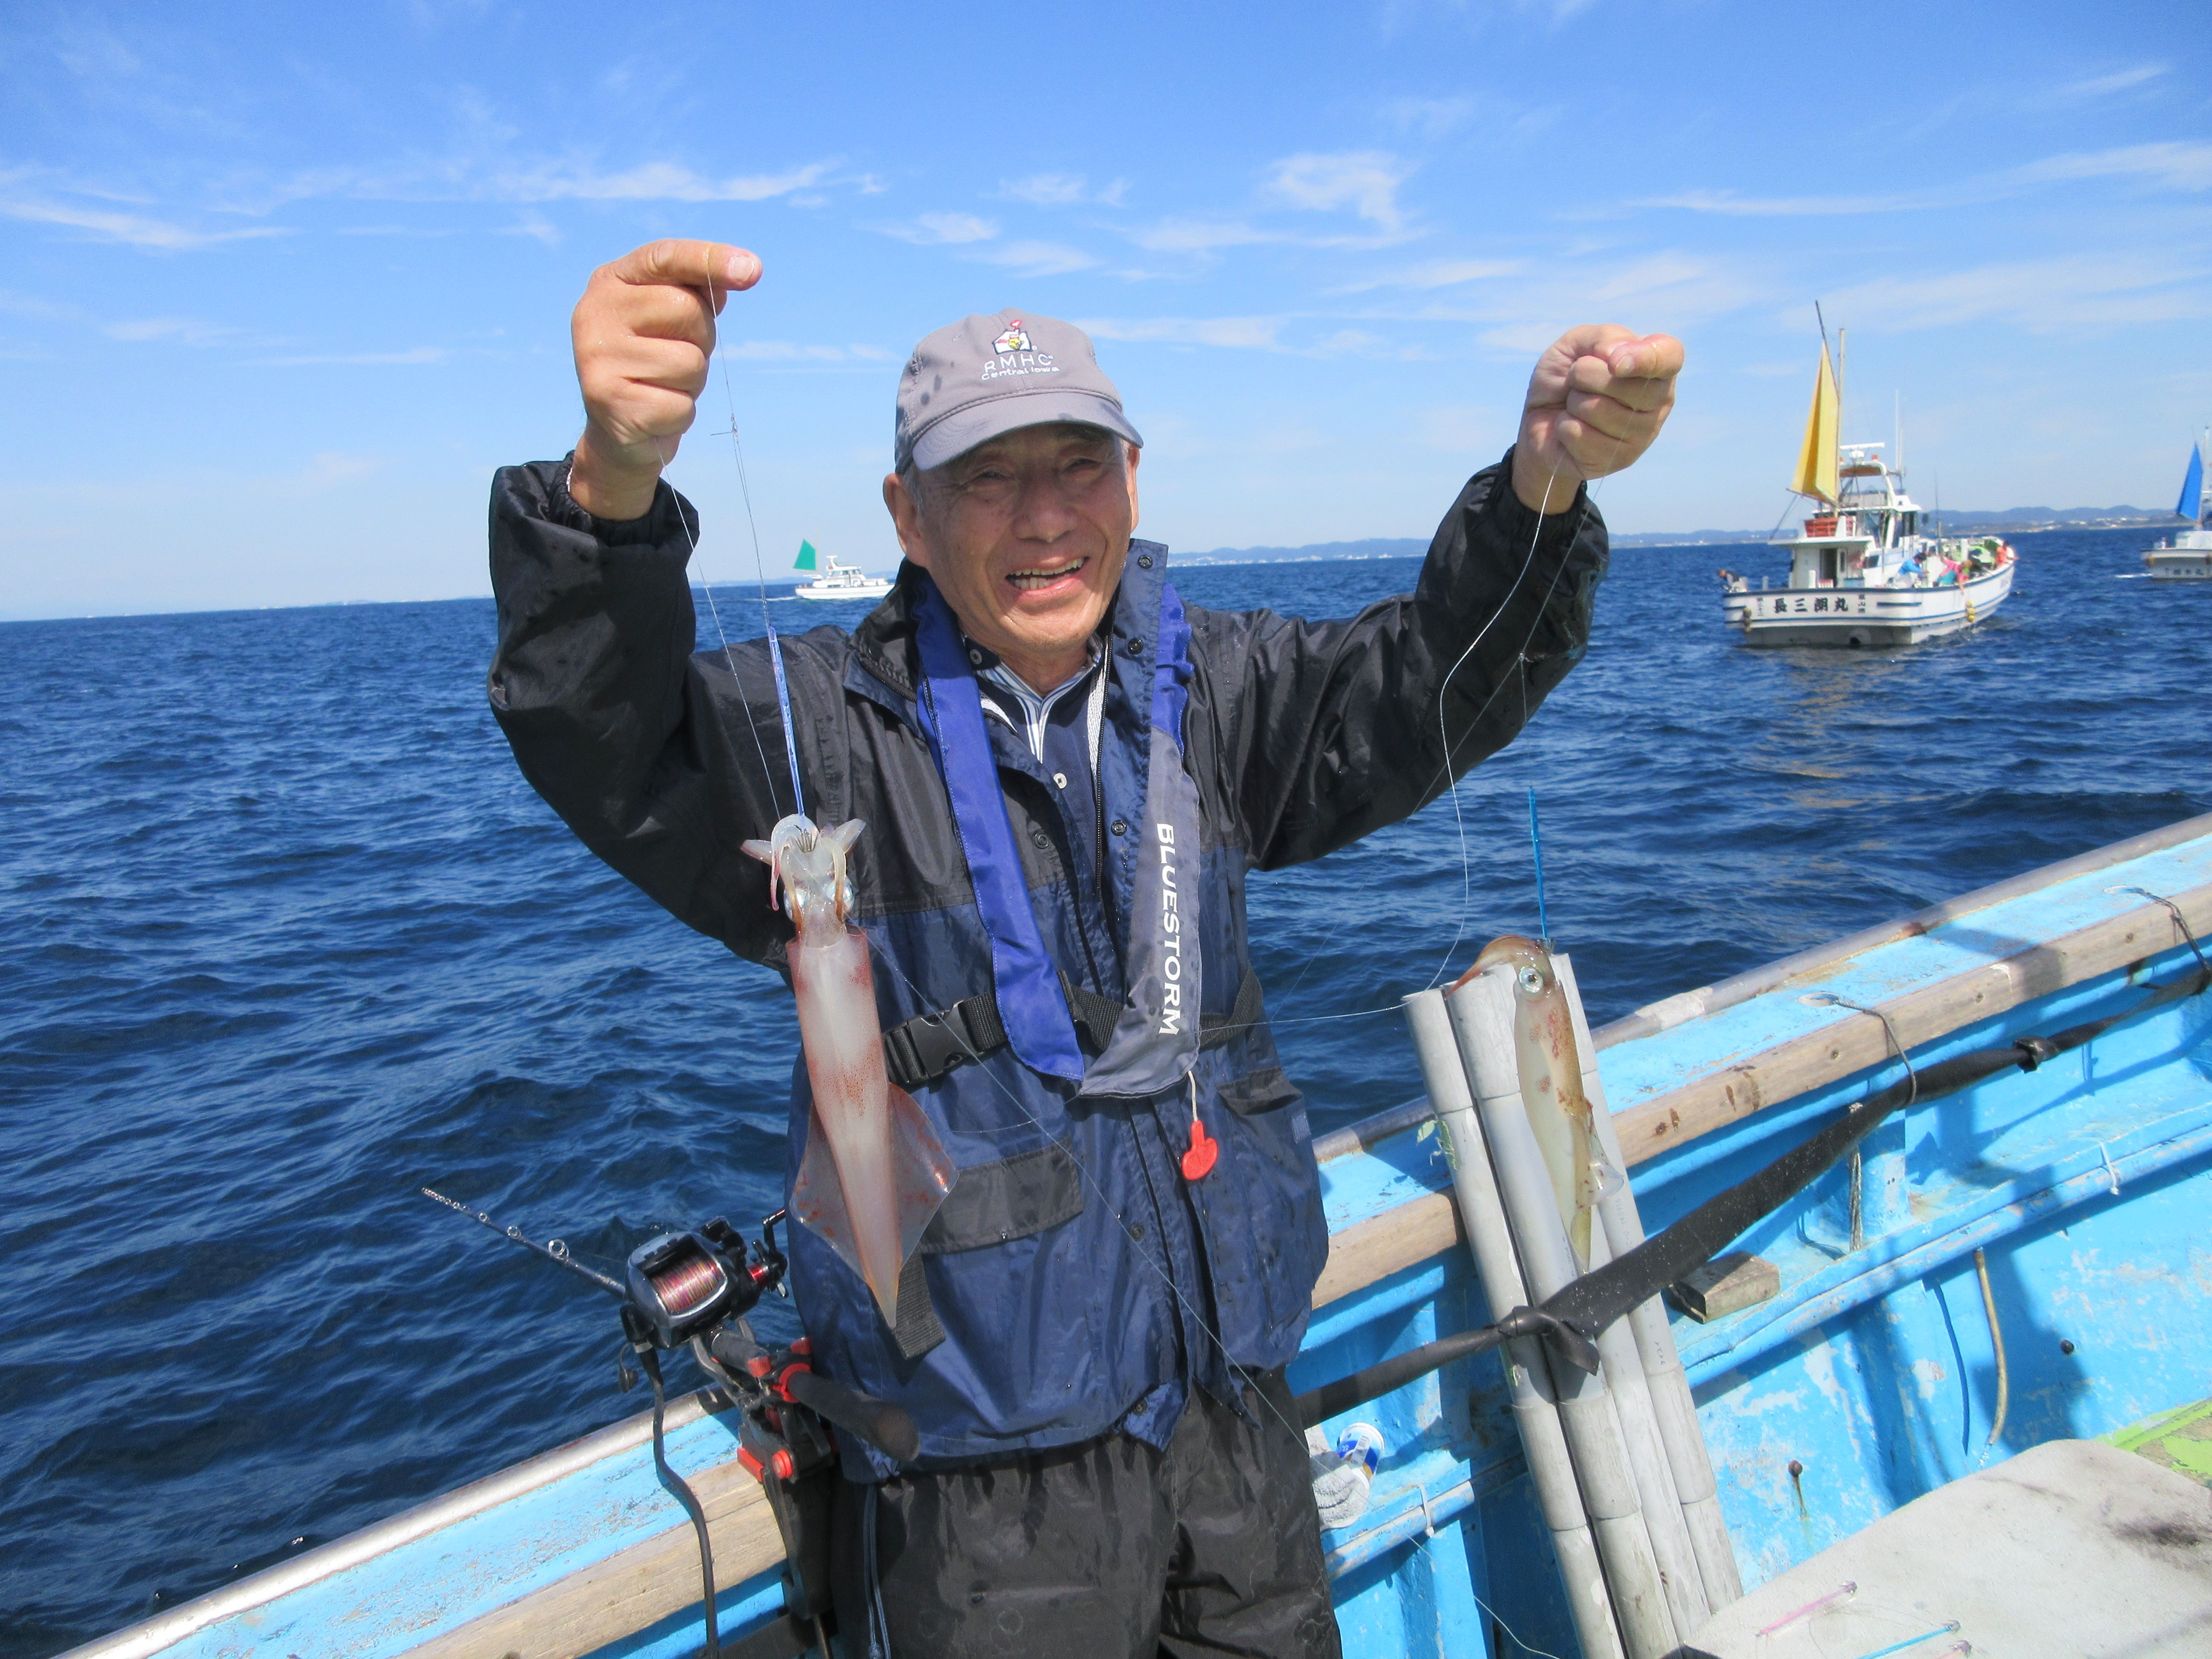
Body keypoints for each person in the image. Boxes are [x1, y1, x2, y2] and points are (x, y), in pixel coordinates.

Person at [488, 238, 1679, 1657]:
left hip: (1236, 1424)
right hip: (977, 1499)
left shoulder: (1218, 690)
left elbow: (1435, 676)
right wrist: (611, 487)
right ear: (907, 515)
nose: (1046, 518)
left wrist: (1543, 491)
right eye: (986, 478)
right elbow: (601, 731)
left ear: (1134, 481)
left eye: (1079, 467)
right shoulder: (816, 736)